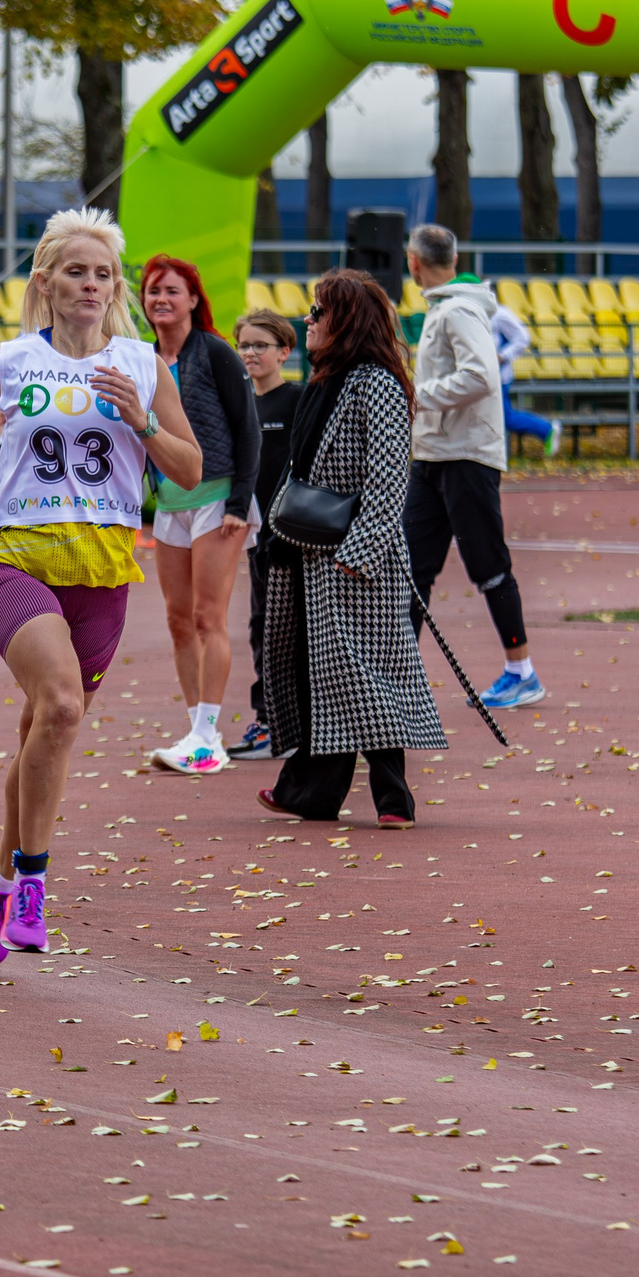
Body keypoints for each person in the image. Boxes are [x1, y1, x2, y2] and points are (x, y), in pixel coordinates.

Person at [0, 208, 201, 964]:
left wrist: (144, 422)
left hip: (104, 568)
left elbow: (189, 471)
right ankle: (32, 885)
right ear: (46, 282)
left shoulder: (145, 364)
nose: (90, 284)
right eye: (76, 271)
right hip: (18, 557)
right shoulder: (12, 358)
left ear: (114, 286)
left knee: (44, 731)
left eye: (102, 273)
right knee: (58, 704)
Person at [256, 269, 447, 825]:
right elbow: (302, 467)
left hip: (359, 560)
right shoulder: (323, 382)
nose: (308, 321)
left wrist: (357, 555)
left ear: (347, 321)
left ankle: (392, 799)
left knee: (362, 675)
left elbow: (389, 482)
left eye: (318, 311)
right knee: (330, 673)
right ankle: (315, 794)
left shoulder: (378, 385)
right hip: (307, 550)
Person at [403, 223, 542, 707]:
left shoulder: (458, 310)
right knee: (412, 566)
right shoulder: (447, 308)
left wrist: (419, 396)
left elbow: (481, 377)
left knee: (486, 564)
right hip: (434, 456)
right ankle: (397, 678)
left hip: (466, 457)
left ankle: (521, 670)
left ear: (413, 262)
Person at [138, 254, 258, 774]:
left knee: (210, 617)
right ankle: (195, 730)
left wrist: (239, 504)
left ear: (193, 299)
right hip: (169, 504)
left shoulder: (216, 353)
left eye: (172, 290)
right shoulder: (140, 359)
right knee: (177, 619)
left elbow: (248, 430)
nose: (161, 299)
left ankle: (210, 738)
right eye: (152, 291)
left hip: (218, 500)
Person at [227, 306, 301, 760]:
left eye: (260, 346)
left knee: (293, 631)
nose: (250, 353)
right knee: (261, 627)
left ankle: (296, 723)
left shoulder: (298, 401)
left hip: (295, 534)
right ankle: (269, 720)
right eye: (244, 346)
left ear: (284, 352)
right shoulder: (240, 404)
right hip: (256, 538)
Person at [488, 291, 561, 456]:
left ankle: (546, 429)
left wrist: (502, 357)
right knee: (500, 417)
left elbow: (522, 337)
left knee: (505, 417)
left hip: (499, 376)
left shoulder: (500, 314)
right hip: (490, 375)